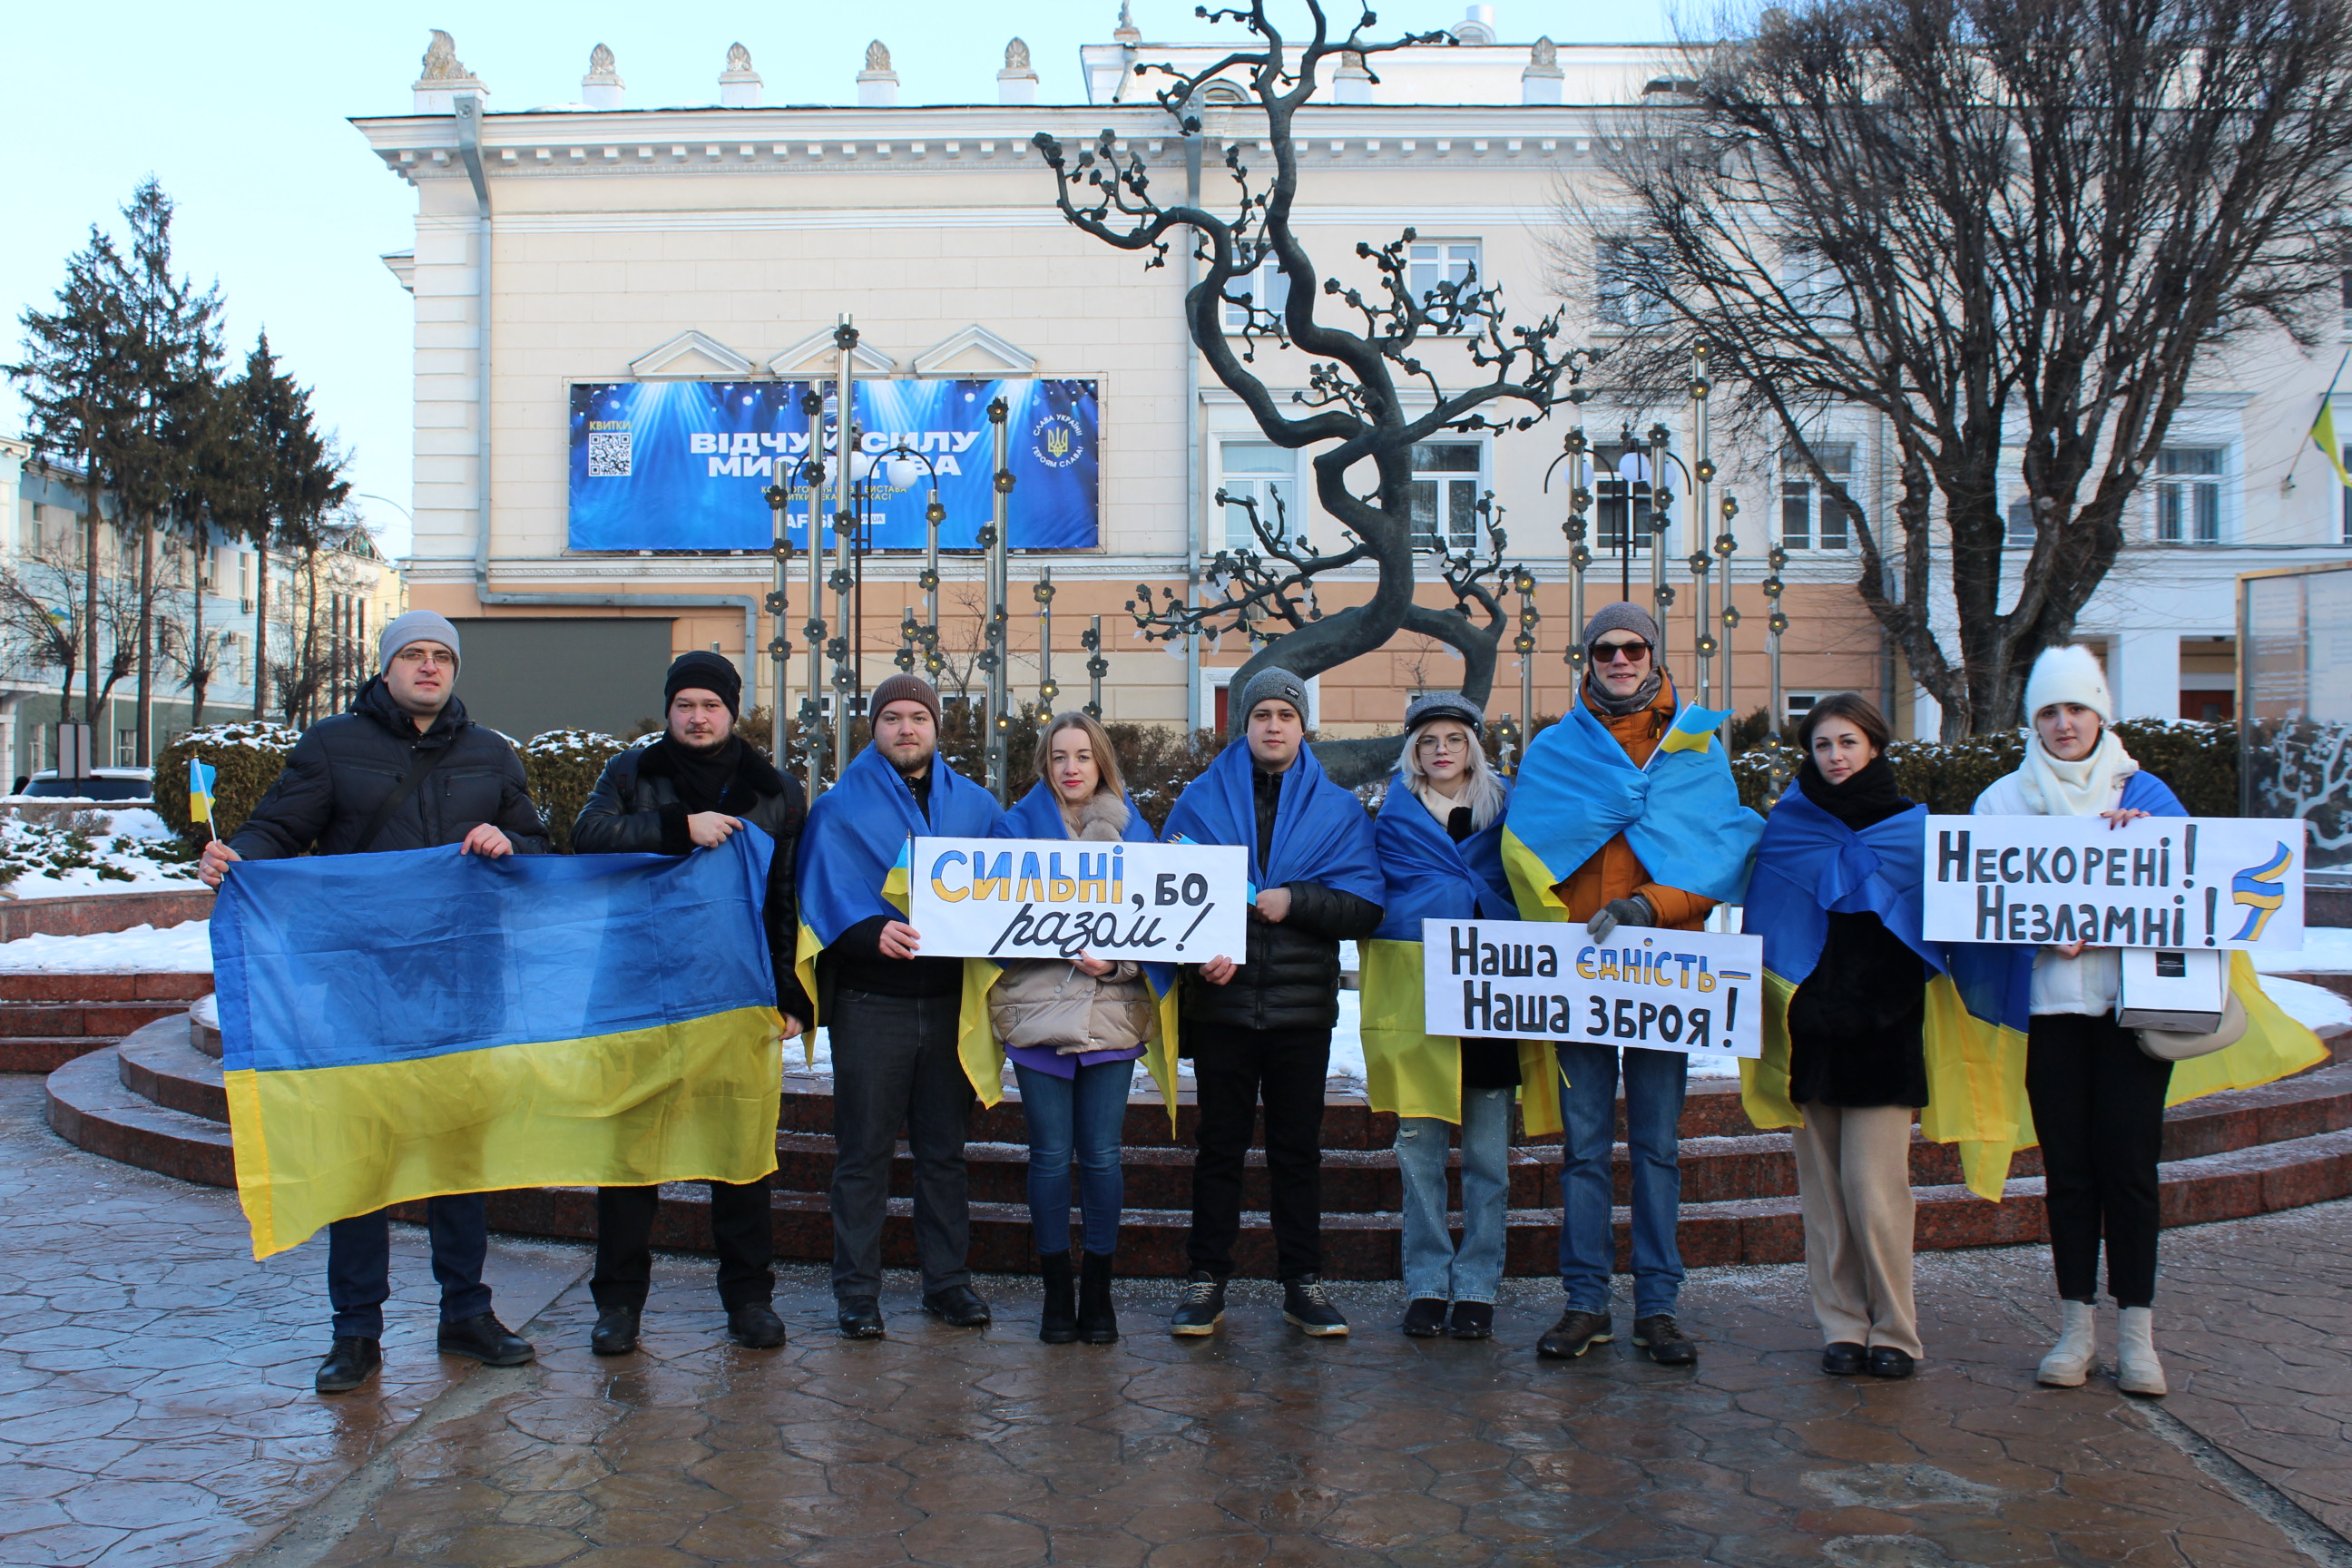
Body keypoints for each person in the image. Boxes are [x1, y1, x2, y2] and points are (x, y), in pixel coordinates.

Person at [197, 610, 552, 1396]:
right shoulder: (332, 745)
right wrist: (236, 856)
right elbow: (278, 830)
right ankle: (356, 1330)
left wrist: (509, 842)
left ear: (454, 671)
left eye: (441, 658)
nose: (428, 668)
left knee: (461, 1156)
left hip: (462, 982)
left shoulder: (492, 753)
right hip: (362, 984)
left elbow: (539, 847)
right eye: (413, 656)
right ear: (387, 667)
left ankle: (467, 1312)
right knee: (364, 1159)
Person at [1501, 603, 1762, 1367]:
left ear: (1654, 654)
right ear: (1587, 661)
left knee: (1655, 1146)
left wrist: (1649, 905)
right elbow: (1525, 853)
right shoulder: (1553, 751)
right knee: (1583, 1149)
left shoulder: (1696, 749)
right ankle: (1586, 1302)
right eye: (1605, 649)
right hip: (1582, 973)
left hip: (1667, 973)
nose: (1620, 659)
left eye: (1633, 647)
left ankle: (1658, 1304)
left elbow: (1715, 860)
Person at [570, 651, 811, 1357]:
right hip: (639, 992)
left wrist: (790, 993)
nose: (698, 717)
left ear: (733, 712)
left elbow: (784, 901)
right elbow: (587, 837)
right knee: (630, 1160)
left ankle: (749, 1300)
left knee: (740, 1157)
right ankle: (617, 1304)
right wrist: (681, 825)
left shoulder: (776, 791)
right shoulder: (632, 773)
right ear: (669, 710)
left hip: (734, 994)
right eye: (686, 705)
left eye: (711, 705)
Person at [1975, 646, 2188, 1395]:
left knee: (2129, 1171)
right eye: (2049, 712)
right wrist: (2037, 933)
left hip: (2131, 1018)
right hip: (2051, 1015)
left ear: (2102, 713)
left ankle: (2139, 1335)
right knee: (2067, 1173)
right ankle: (2074, 1329)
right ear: (2032, 720)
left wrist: (2146, 853)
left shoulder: (2148, 793)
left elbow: (2191, 894)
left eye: (2077, 709)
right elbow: (1977, 908)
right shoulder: (2002, 803)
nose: (2064, 725)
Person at [1161, 668, 1385, 1338]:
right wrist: (1195, 952)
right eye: (1260, 715)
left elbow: (1366, 905)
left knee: (1297, 1152)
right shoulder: (1200, 799)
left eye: (1284, 716)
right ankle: (1206, 1281)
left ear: (1302, 726)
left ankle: (1302, 1283)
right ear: (1244, 726)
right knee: (1218, 1149)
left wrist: (1295, 901)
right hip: (1223, 1006)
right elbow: (1165, 895)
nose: (1272, 726)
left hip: (1299, 1011)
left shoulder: (1339, 810)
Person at [794, 675, 1004, 1339]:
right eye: (892, 717)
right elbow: (822, 897)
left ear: (938, 728)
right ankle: (857, 1293)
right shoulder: (837, 809)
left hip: (948, 1003)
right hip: (871, 1003)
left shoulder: (976, 807)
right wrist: (866, 932)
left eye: (918, 716)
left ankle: (948, 1284)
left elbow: (1007, 891)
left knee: (945, 1152)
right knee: (862, 1154)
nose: (906, 728)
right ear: (873, 728)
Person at [1746, 693, 1933, 1379]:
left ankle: (1898, 1331)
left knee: (1875, 1190)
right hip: (1811, 1031)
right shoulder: (1790, 826)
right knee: (1822, 1194)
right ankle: (1843, 1326)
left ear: (1875, 745)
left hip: (1885, 1029)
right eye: (1823, 745)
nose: (1836, 757)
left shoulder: (1915, 830)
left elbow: (1941, 927)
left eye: (1848, 743)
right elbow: (1770, 922)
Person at [989, 712, 1170, 1345]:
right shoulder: (1011, 832)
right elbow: (986, 930)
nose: (1071, 768)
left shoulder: (1134, 833)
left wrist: (1116, 962)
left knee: (1100, 1158)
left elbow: (1162, 931)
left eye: (1083, 756)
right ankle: (1055, 1292)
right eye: (1060, 756)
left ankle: (1099, 1291)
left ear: (1101, 765)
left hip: (1113, 1018)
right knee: (1046, 1158)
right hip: (1035, 1014)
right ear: (1044, 763)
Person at [1365, 692, 1534, 1341]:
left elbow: (1529, 886)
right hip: (1419, 1004)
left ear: (1473, 748)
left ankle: (1479, 1285)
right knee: (1420, 1155)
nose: (1441, 751)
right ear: (1414, 751)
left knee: (1489, 1157)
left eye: (1454, 739)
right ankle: (1428, 1282)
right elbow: (1384, 894)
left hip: (1493, 1003)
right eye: (1429, 740)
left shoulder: (1509, 810)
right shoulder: (1391, 823)